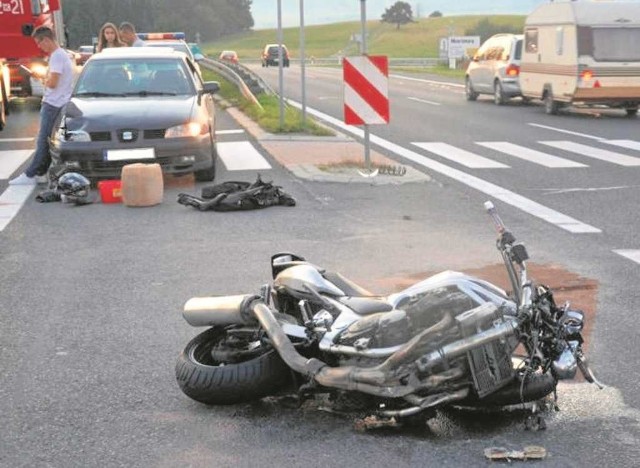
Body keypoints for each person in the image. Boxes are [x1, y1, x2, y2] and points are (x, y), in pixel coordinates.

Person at [9, 26, 74, 186]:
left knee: (43, 140)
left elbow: (53, 82)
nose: (39, 46)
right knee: (50, 140)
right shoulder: (62, 55)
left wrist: (42, 78)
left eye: (39, 42)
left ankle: (31, 174)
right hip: (60, 102)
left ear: (46, 39)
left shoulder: (57, 57)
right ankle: (41, 172)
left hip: (53, 103)